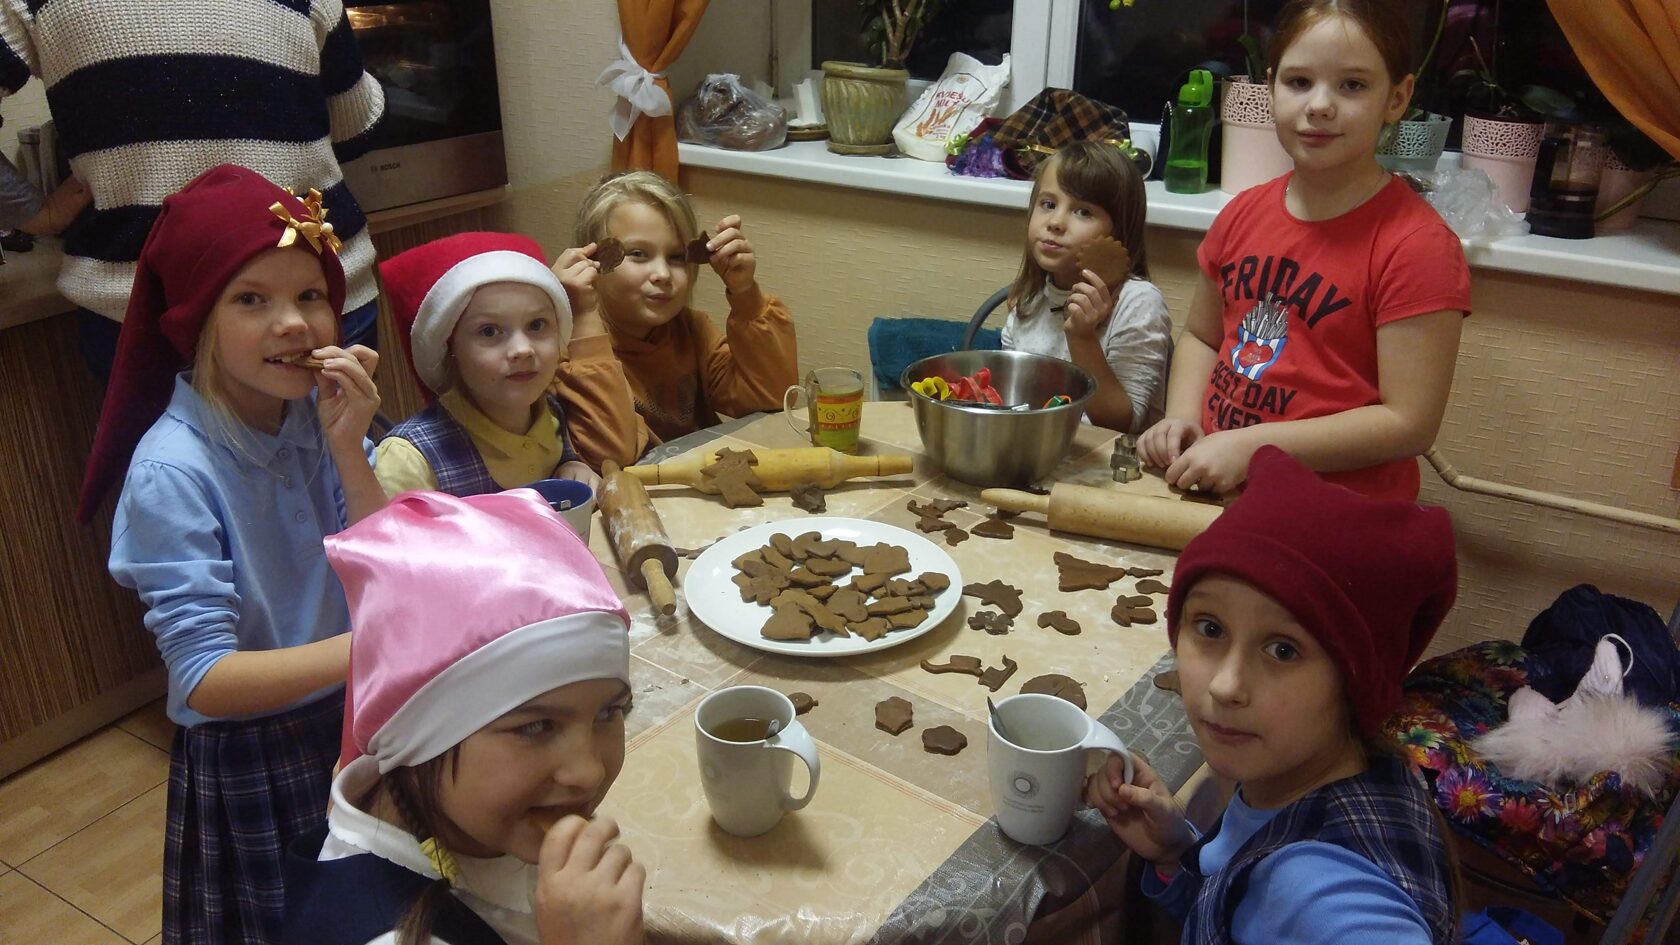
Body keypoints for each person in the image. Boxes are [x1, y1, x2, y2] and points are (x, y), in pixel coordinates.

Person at [76, 165, 386, 945]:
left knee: (370, 912)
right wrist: (372, 647)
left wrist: (349, 446)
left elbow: (383, 563)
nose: (293, 323)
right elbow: (204, 677)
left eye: (310, 294)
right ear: (198, 320)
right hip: (256, 749)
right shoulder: (173, 471)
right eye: (251, 299)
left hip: (350, 717)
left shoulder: (317, 417)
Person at [1086, 446, 1460, 945]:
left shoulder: (1321, 892)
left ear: (1354, 681)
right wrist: (1179, 854)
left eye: (1283, 650)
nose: (1225, 685)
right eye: (1210, 628)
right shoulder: (1301, 782)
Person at [1137, 0, 1471, 500]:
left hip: (1335, 511)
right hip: (1221, 490)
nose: (1319, 105)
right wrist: (1182, 417)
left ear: (1397, 98)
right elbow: (1202, 337)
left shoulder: (1417, 246)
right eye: (1298, 82)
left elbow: (1409, 423)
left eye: (1352, 85)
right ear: (1270, 88)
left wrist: (1252, 447)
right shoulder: (1242, 213)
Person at [281, 488, 643, 945]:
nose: (588, 772)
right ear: (421, 739)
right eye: (536, 726)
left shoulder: (462, 817)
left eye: (609, 711)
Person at [0, 0, 386, 381]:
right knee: (340, 424)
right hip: (314, 293)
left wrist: (33, 212)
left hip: (142, 309)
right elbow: (355, 126)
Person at [556, 169, 797, 464]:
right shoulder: (564, 354)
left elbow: (773, 399)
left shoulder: (691, 331)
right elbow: (610, 455)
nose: (662, 274)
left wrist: (746, 294)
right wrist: (583, 314)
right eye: (638, 254)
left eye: (676, 257)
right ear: (593, 261)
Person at [373, 232, 635, 495]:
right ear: (448, 348)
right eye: (489, 331)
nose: (522, 349)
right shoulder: (408, 461)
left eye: (536, 325)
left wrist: (571, 465)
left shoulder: (551, 415)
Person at [1000, 140, 1172, 433]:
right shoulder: (1027, 302)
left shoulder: (1138, 302)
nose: (1055, 222)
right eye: (1048, 204)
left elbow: (1121, 424)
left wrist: (1082, 338)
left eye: (1083, 212)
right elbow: (1013, 404)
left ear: (1118, 231)